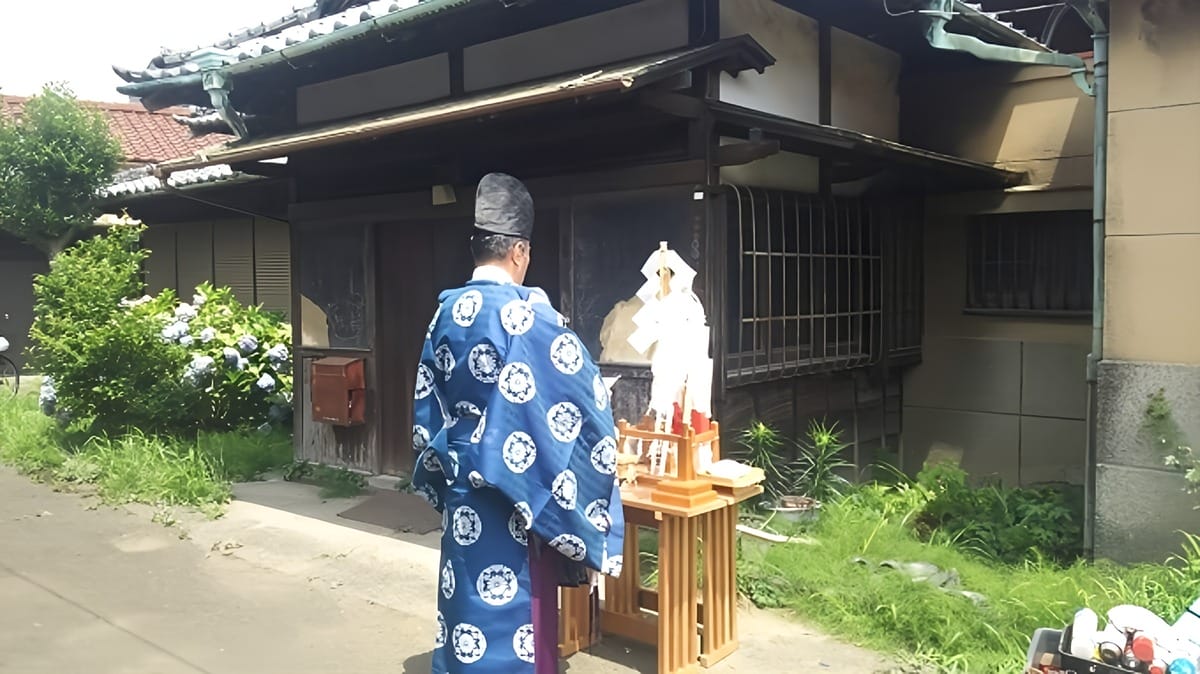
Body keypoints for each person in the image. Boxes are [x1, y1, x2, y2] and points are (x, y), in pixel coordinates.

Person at [411, 173, 625, 674]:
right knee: (515, 610)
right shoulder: (530, 314)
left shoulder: (444, 312)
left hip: (463, 479)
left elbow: (426, 404)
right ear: (520, 253)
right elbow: (585, 399)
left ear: (477, 248)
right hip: (516, 486)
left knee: (465, 590)